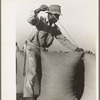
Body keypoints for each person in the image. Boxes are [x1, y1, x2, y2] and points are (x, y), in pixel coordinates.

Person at [23, 4, 84, 100]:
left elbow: (63, 40)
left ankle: (40, 93)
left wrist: (76, 49)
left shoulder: (55, 28)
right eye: (57, 16)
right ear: (50, 14)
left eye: (59, 16)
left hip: (42, 50)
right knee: (32, 71)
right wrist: (38, 10)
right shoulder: (40, 21)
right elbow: (30, 19)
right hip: (32, 48)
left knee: (41, 72)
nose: (58, 18)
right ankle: (28, 96)